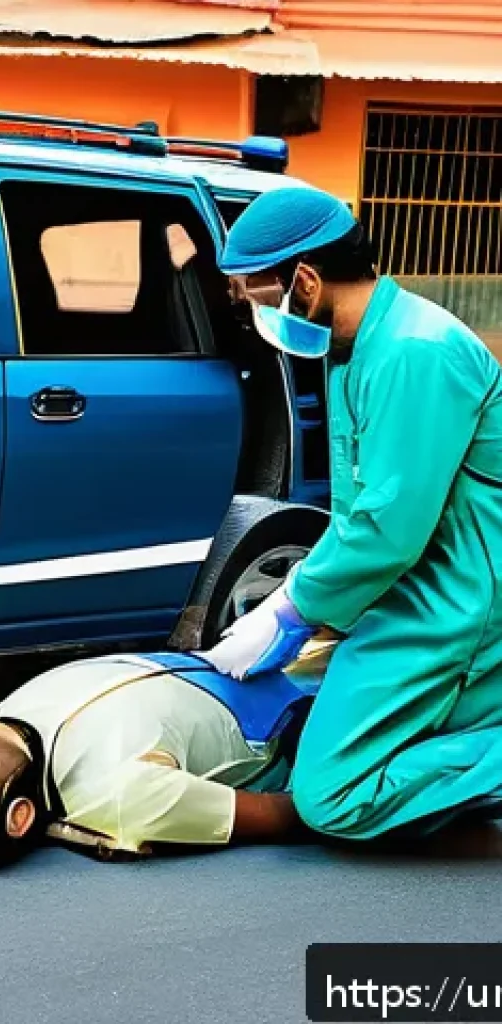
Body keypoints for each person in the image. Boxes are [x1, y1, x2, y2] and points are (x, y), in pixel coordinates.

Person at [198, 186, 502, 842]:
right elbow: (360, 509)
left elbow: (389, 527)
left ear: (303, 281)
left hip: (457, 600)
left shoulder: (414, 351)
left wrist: (292, 605)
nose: (251, 312)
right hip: (413, 589)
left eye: (254, 293)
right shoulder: (353, 351)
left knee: (330, 792)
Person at [0, 643, 332, 871]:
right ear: (19, 816)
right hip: (314, 708)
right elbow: (291, 813)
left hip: (250, 652)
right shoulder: (120, 796)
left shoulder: (3, 717)